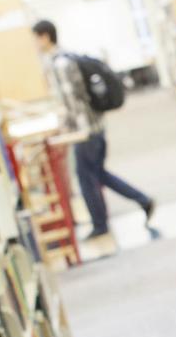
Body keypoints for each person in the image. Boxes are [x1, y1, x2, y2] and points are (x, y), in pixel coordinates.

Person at [32, 19, 154, 257]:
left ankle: (101, 224)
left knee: (87, 178)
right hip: (95, 127)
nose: (34, 44)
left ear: (45, 36)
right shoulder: (67, 58)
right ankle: (142, 200)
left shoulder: (60, 64)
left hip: (84, 132)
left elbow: (71, 103)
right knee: (97, 174)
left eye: (35, 38)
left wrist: (64, 130)